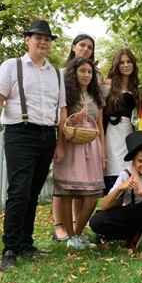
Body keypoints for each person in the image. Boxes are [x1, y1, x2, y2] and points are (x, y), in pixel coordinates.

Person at [0, 19, 66, 272]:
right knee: (19, 191)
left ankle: (25, 243)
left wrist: (60, 142)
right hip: (20, 133)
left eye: (47, 39)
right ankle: (9, 248)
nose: (43, 42)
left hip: (47, 134)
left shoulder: (56, 74)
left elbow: (62, 109)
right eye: (38, 37)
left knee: (33, 192)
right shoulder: (12, 65)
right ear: (27, 39)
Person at [89, 131, 142, 261]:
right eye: (140, 161)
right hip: (130, 212)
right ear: (133, 161)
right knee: (96, 221)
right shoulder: (125, 174)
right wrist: (121, 188)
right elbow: (104, 206)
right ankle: (132, 234)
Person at [52, 33, 102, 242]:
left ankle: (78, 232)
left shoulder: (96, 94)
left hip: (92, 147)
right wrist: (75, 121)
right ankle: (69, 236)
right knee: (66, 192)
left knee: (91, 196)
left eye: (89, 71)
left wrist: (103, 151)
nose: (86, 74)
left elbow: (100, 125)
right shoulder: (65, 90)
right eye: (82, 71)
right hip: (71, 144)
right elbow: (61, 120)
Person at [101, 49, 140, 192]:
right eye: (122, 62)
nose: (126, 65)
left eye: (129, 62)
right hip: (112, 131)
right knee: (114, 166)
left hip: (128, 131)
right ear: (116, 65)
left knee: (128, 166)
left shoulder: (135, 87)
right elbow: (100, 112)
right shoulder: (108, 84)